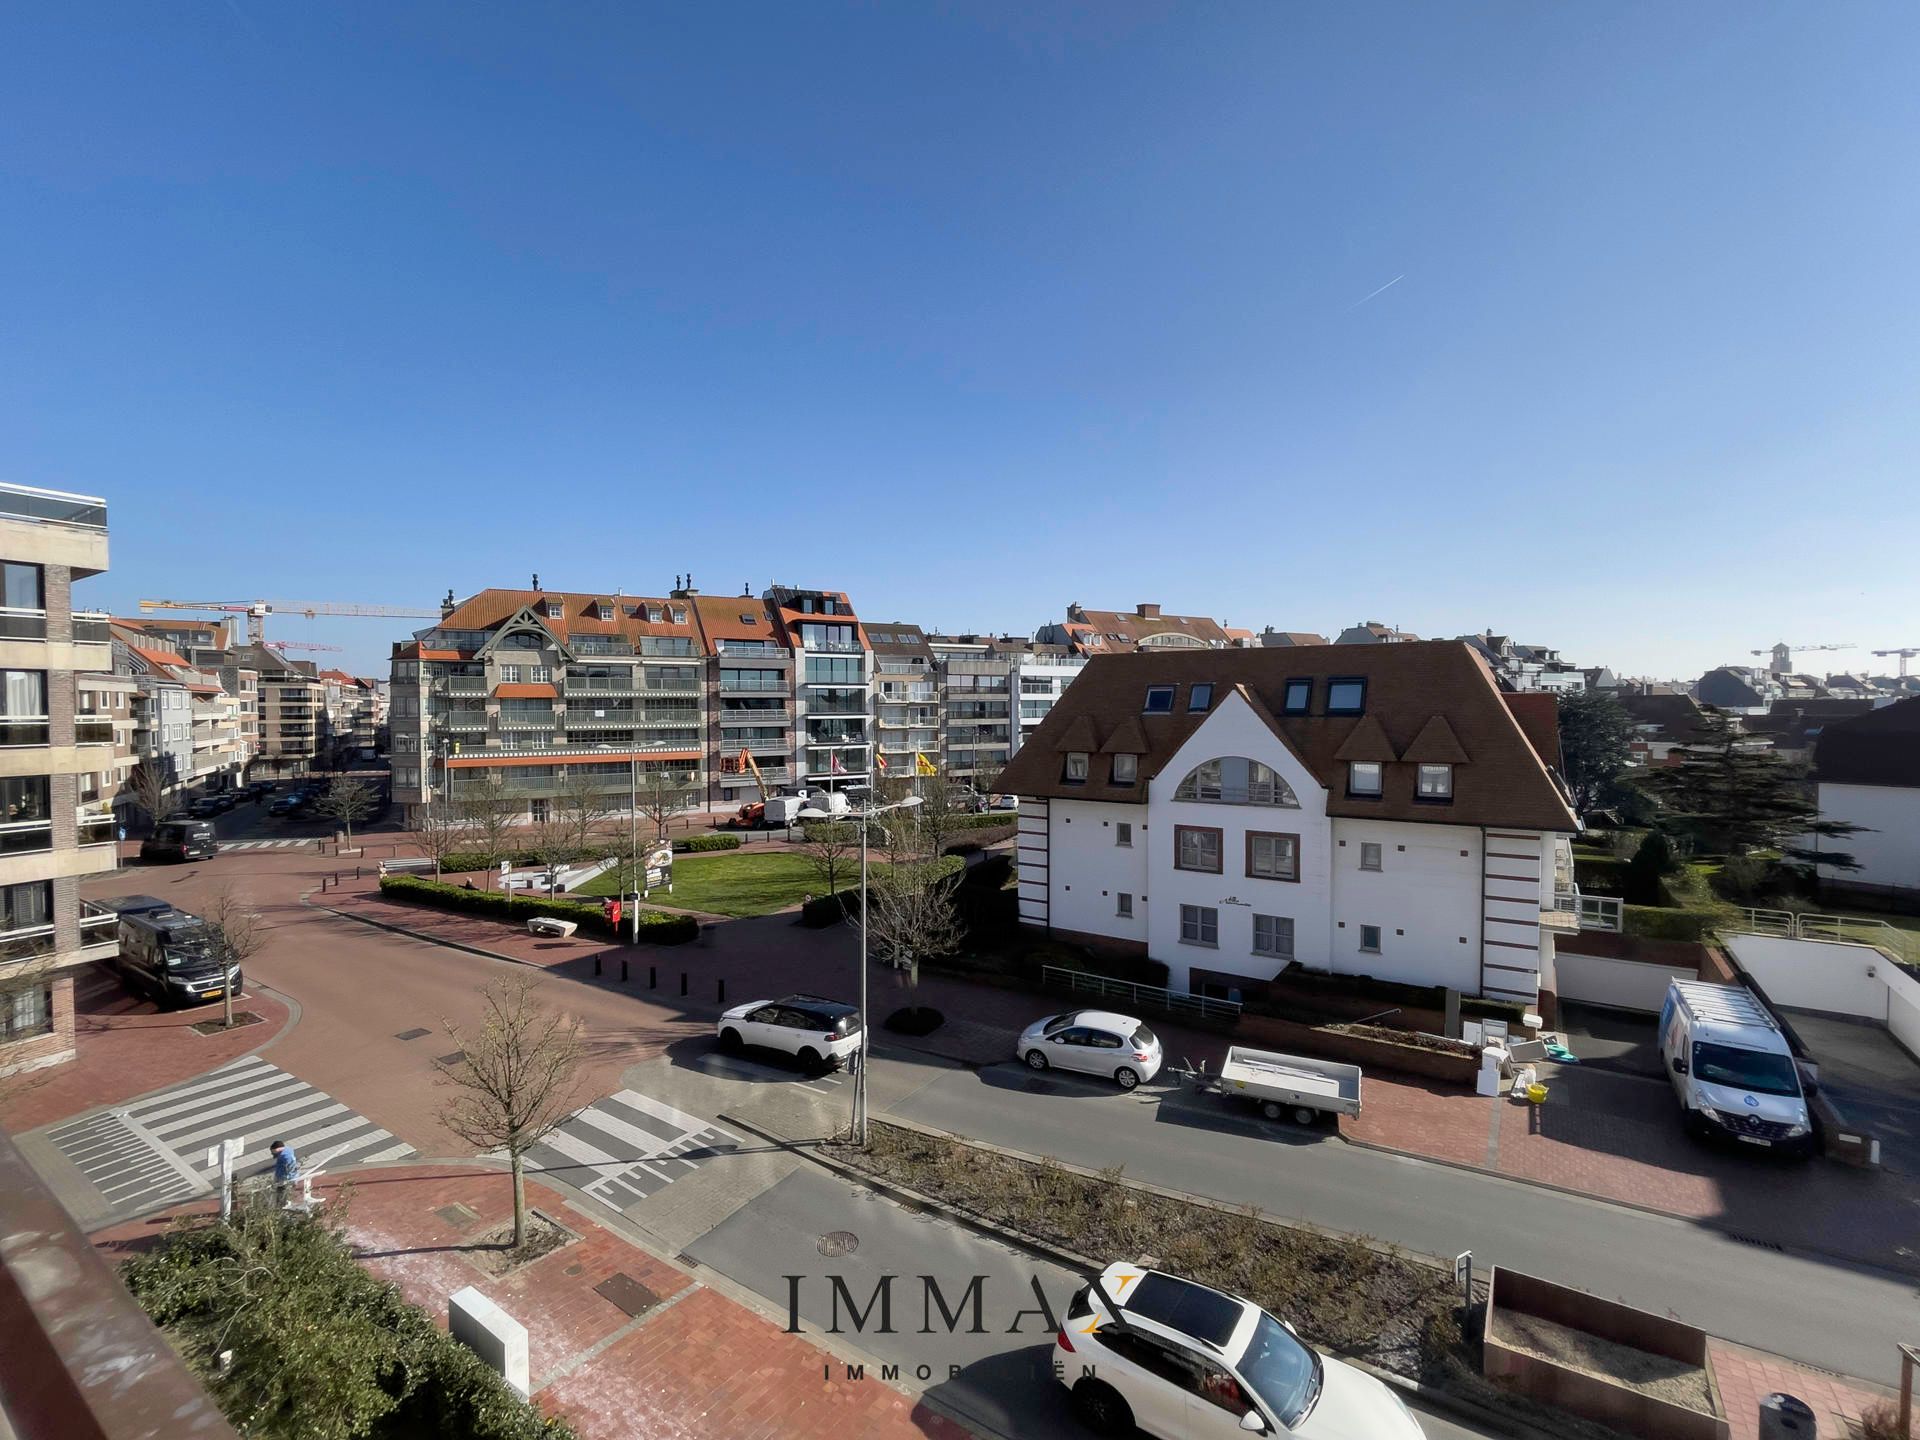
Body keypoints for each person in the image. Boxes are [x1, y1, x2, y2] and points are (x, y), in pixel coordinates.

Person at [270, 1139, 299, 1208]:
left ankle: (281, 1207)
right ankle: (282, 1204)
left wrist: (290, 1179)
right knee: (282, 1192)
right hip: (284, 1175)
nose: (272, 1154)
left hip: (284, 1178)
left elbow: (291, 1168)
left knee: (281, 1192)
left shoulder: (286, 1157)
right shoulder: (288, 1150)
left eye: (273, 1152)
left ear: (277, 1149)